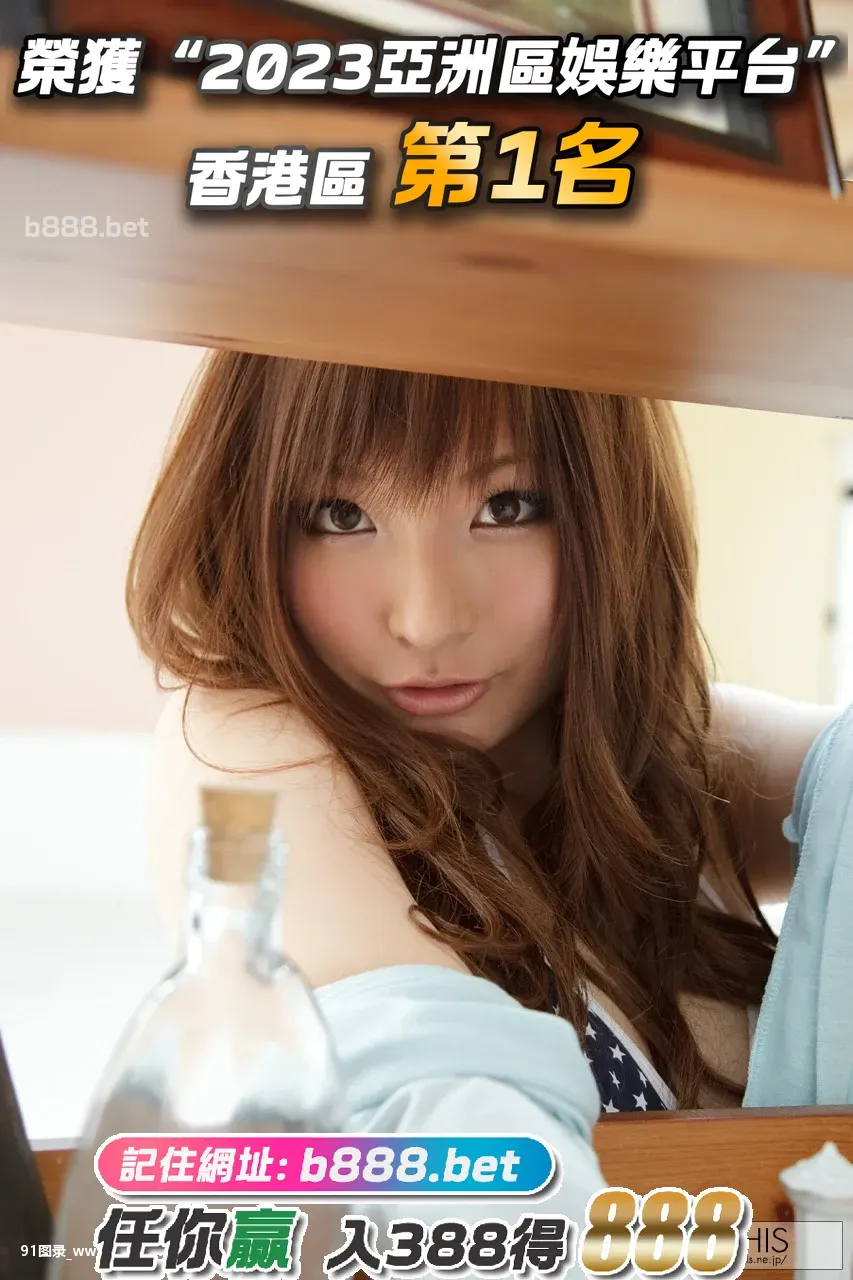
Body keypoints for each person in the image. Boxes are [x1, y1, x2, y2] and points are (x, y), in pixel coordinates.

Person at [126, 353, 835, 1228]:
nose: (427, 619)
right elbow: (431, 1127)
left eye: (507, 507)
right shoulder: (243, 750)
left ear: (606, 513)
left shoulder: (676, 760)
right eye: (340, 516)